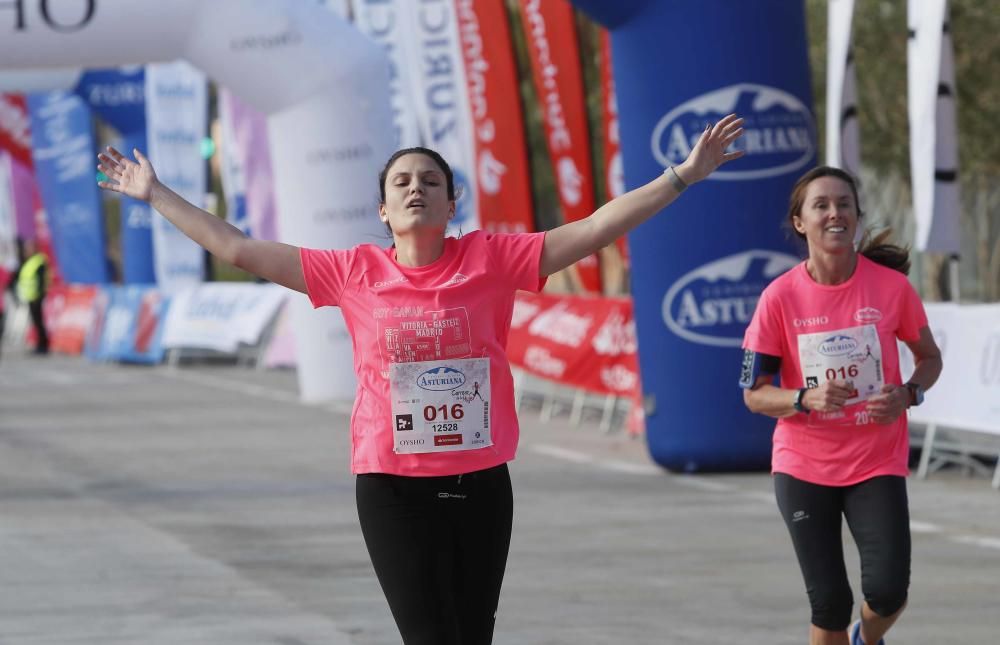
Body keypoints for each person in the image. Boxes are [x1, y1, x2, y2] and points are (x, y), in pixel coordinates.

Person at [97, 113, 744, 645]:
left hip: (480, 482)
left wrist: (683, 174)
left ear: (450, 200)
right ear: (382, 208)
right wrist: (155, 194)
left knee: (470, 636)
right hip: (392, 488)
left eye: (430, 180)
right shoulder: (353, 272)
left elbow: (597, 227)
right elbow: (239, 249)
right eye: (402, 181)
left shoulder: (492, 258)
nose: (415, 188)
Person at [739, 166, 943, 645]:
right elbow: (754, 393)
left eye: (844, 204)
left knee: (889, 592)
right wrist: (802, 398)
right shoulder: (780, 298)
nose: (835, 213)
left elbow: (929, 358)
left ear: (856, 215)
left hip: (876, 460)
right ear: (800, 222)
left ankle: (865, 639)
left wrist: (909, 392)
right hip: (804, 464)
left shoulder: (892, 289)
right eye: (822, 205)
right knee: (829, 603)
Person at [16, 239, 50, 355]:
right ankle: (39, 344)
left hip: (37, 297)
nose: (27, 250)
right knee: (35, 322)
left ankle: (43, 346)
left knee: (39, 322)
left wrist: (39, 294)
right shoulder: (29, 261)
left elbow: (41, 280)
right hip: (31, 296)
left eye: (29, 248)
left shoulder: (38, 261)